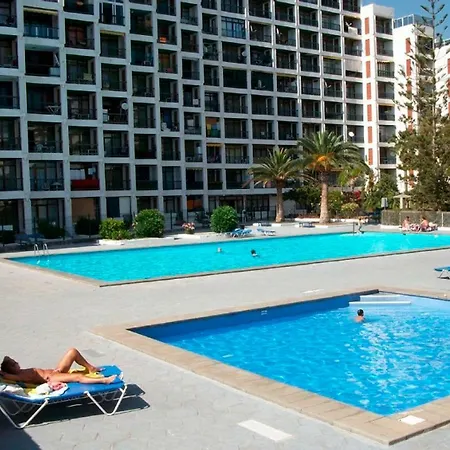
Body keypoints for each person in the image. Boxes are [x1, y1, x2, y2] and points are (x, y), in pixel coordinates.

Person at [0, 348, 117, 385]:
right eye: (14, 364)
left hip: (56, 372)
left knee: (72, 352)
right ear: (10, 370)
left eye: (15, 361)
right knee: (78, 377)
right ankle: (104, 380)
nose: (17, 363)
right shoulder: (18, 376)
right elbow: (5, 375)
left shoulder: (20, 372)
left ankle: (91, 368)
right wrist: (4, 373)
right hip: (51, 378)